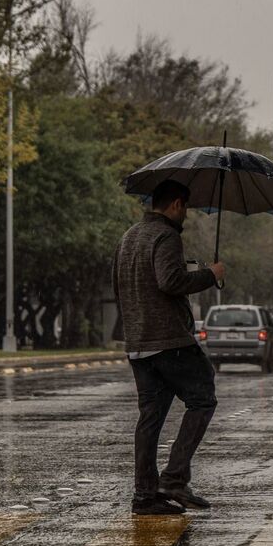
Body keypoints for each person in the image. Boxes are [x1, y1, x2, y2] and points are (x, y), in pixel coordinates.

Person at [113, 179, 225, 516]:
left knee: (150, 418)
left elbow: (122, 285)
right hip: (169, 340)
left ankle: (145, 496)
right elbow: (170, 281)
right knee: (203, 397)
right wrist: (210, 274)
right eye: (186, 208)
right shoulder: (166, 236)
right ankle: (174, 478)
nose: (186, 215)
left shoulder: (129, 236)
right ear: (176, 204)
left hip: (138, 342)